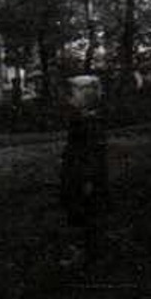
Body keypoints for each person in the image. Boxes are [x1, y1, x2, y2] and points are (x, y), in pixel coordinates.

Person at [59, 74, 108, 264]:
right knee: (81, 212)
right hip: (78, 175)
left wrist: (88, 178)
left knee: (83, 213)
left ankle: (84, 251)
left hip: (84, 177)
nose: (68, 100)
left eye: (71, 95)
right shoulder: (82, 121)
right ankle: (87, 249)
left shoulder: (89, 124)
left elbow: (91, 154)